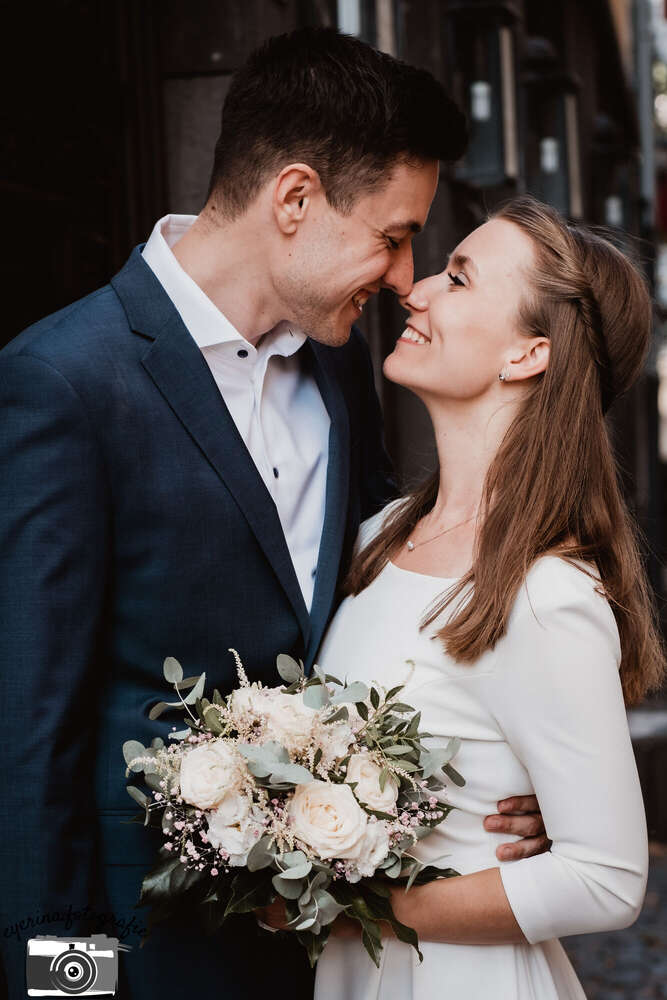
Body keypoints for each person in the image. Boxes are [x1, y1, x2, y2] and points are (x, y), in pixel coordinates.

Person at [0, 28, 547, 1000]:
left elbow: (388, 619)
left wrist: (500, 791)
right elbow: (28, 741)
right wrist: (64, 989)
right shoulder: (64, 382)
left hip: (341, 950)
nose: (401, 274)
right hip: (156, 958)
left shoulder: (342, 371)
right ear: (294, 198)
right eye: (391, 234)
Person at [305, 196, 666, 998]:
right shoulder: (377, 535)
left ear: (527, 355)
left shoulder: (544, 593)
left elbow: (605, 879)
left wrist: (348, 905)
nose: (418, 289)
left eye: (458, 278)